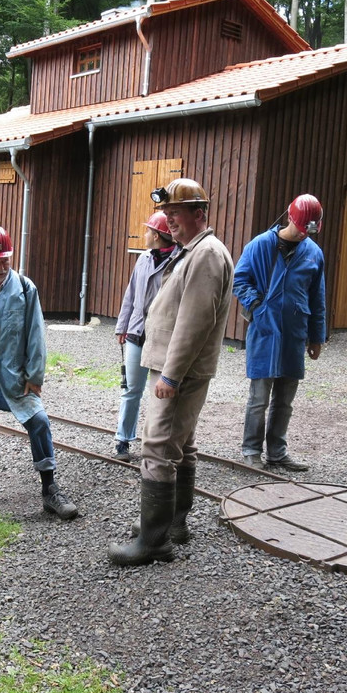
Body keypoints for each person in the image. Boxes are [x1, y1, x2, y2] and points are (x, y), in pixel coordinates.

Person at [108, 179, 234, 566]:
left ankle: (153, 541)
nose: (170, 222)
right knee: (181, 445)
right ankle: (173, 524)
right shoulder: (193, 250)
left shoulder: (206, 254)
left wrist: (171, 376)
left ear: (199, 215)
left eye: (176, 215)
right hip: (176, 368)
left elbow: (194, 321)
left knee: (159, 447)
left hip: (178, 371)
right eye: (167, 215)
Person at [0, 225, 79, 521]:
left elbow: (36, 333)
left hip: (13, 376)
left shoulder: (24, 288)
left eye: (5, 260)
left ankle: (50, 490)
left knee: (39, 422)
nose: (0, 267)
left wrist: (35, 375)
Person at [233, 193, 327, 472]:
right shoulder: (261, 245)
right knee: (259, 397)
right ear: (289, 218)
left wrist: (316, 337)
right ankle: (251, 450)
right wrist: (257, 306)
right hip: (265, 329)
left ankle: (277, 452)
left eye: (308, 231)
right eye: (300, 229)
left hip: (295, 333)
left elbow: (317, 298)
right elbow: (240, 279)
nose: (303, 236)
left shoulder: (313, 253)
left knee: (285, 400)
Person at [112, 211, 178, 461]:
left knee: (159, 393)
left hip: (161, 338)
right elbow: (131, 294)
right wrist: (122, 327)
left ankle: (157, 445)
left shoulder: (177, 261)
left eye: (149, 230)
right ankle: (123, 439)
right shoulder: (143, 259)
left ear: (159, 235)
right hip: (136, 334)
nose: (145, 234)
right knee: (131, 390)